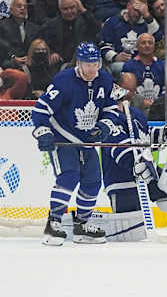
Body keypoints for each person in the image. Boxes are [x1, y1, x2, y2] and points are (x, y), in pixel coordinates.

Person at [98, 85, 167, 241]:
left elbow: (145, 138)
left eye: (122, 99)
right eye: (116, 101)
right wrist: (138, 161)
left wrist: (165, 134)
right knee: (131, 235)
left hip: (145, 176)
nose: (121, 103)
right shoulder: (108, 124)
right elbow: (124, 154)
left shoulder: (134, 115)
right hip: (122, 185)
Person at [31, 42, 118, 246]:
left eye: (95, 63)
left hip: (87, 140)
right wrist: (43, 131)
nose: (91, 68)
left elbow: (111, 107)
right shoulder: (63, 80)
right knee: (69, 177)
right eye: (87, 64)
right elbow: (41, 110)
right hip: (63, 138)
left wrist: (104, 126)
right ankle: (54, 224)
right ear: (78, 62)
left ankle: (82, 224)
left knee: (93, 180)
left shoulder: (105, 78)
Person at [99, 0, 160, 80]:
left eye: (141, 11)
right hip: (119, 64)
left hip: (142, 63)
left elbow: (158, 38)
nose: (137, 14)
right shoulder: (112, 22)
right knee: (122, 68)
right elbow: (104, 46)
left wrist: (147, 15)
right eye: (135, 10)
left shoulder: (148, 24)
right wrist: (115, 56)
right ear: (128, 6)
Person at [38, 0, 101, 70]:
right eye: (65, 9)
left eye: (72, 7)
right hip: (61, 62)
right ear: (60, 9)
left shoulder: (86, 20)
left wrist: (83, 10)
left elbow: (98, 28)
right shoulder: (51, 25)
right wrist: (51, 53)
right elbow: (42, 42)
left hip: (85, 61)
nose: (69, 12)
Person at [121, 33, 165, 116]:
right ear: (137, 46)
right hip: (136, 107)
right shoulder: (129, 66)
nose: (147, 45)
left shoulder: (162, 65)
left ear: (154, 46)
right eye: (143, 43)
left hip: (160, 106)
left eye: (150, 43)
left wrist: (157, 102)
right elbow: (126, 90)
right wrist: (141, 102)